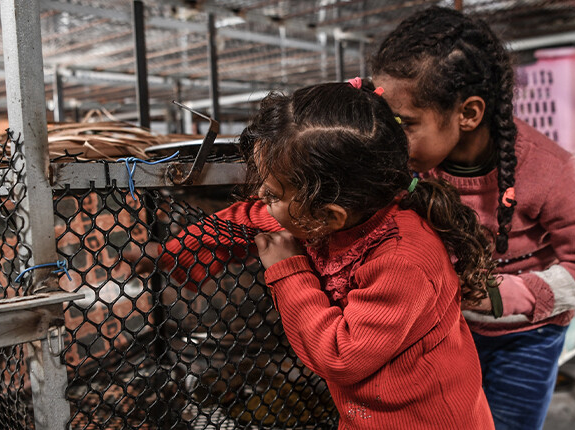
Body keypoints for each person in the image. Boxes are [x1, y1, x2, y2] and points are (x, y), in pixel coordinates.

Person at [154, 80, 495, 429]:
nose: (261, 197)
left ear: (328, 216)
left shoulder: (401, 260)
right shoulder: (332, 216)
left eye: (272, 193)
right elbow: (248, 218)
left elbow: (341, 356)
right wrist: (171, 253)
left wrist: (288, 270)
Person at [367, 6, 575, 429]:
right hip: (446, 328)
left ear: (468, 114)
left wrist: (501, 296)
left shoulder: (550, 170)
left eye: (405, 124)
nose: (393, 139)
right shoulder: (415, 163)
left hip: (525, 338)